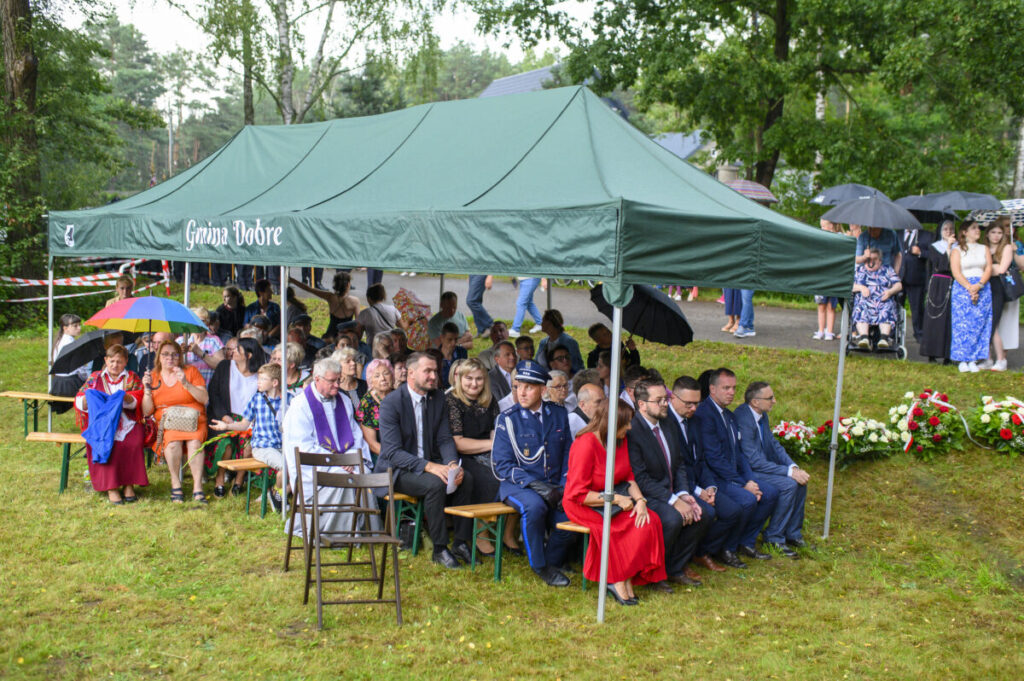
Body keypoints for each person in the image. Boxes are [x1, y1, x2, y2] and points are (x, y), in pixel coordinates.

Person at [374, 352, 476, 569]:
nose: (434, 376)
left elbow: (445, 437)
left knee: (465, 478)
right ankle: (439, 548)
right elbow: (392, 452)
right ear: (411, 373)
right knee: (435, 484)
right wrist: (429, 466)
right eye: (428, 371)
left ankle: (460, 541)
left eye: (435, 371)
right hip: (397, 470)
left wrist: (450, 464)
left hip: (430, 464)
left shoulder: (438, 397)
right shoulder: (392, 403)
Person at [565, 399, 667, 605]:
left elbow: (629, 476)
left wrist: (640, 501)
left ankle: (627, 577)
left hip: (614, 500)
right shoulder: (585, 444)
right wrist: (618, 499)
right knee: (616, 529)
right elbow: (578, 493)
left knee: (650, 520)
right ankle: (616, 579)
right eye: (626, 423)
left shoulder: (620, 440)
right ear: (612, 423)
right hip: (585, 503)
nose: (629, 427)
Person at [491, 361, 575, 587]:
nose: (522, 392)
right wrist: (539, 487)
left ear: (543, 390)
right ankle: (539, 566)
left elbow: (568, 451)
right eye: (519, 386)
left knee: (572, 514)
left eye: (529, 387)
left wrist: (564, 485)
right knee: (534, 507)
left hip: (555, 483)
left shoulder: (558, 414)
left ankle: (552, 561)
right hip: (519, 485)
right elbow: (502, 465)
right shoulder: (508, 419)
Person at [627, 380, 711, 589]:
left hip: (671, 491)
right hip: (646, 495)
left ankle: (674, 568)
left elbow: (679, 464)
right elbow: (640, 478)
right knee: (672, 518)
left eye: (665, 398)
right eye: (659, 400)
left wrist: (683, 493)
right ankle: (652, 574)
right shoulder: (632, 431)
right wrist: (673, 500)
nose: (665, 404)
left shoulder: (668, 423)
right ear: (642, 404)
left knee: (704, 514)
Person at [283, 357, 374, 543]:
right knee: (345, 480)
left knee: (361, 473)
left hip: (343, 461)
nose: (336, 385)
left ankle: (364, 532)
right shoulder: (300, 406)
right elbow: (302, 446)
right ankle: (338, 535)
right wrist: (338, 462)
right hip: (316, 466)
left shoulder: (344, 401)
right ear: (317, 379)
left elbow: (355, 435)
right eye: (332, 381)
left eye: (338, 380)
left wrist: (351, 459)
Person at [694, 368, 778, 567]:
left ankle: (745, 542)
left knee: (771, 493)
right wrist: (742, 484)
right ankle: (725, 548)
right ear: (712, 389)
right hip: (715, 478)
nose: (731, 392)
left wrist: (749, 480)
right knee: (747, 500)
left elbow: (739, 453)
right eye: (726, 388)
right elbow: (713, 458)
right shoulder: (705, 415)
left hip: (733, 476)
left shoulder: (729, 416)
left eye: (733, 388)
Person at [664, 375, 743, 575]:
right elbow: (675, 467)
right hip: (676, 486)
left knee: (733, 510)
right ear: (673, 398)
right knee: (706, 513)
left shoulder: (695, 421)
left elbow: (701, 460)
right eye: (688, 404)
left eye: (697, 403)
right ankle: (683, 559)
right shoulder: (666, 423)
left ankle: (701, 552)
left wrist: (710, 488)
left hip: (699, 482)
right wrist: (697, 492)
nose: (693, 408)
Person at [446, 358, 520, 554]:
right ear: (460, 379)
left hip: (489, 452)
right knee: (489, 479)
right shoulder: (452, 401)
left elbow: (495, 431)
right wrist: (492, 445)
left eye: (479, 379)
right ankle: (481, 533)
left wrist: (497, 447)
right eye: (469, 378)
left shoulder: (489, 400)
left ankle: (507, 533)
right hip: (462, 456)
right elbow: (458, 442)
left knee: (518, 475)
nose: (474, 383)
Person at [733, 382, 810, 558]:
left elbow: (773, 445)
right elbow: (753, 461)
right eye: (770, 398)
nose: (774, 401)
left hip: (761, 466)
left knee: (800, 482)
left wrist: (792, 466)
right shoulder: (743, 419)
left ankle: (792, 533)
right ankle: (774, 537)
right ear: (755, 402)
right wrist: (788, 473)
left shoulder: (762, 415)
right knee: (789, 484)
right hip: (749, 471)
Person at [75, 344, 149, 505]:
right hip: (101, 422)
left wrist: (125, 398)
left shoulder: (132, 377)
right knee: (106, 442)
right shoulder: (95, 377)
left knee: (133, 442)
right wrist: (90, 398)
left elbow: (139, 397)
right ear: (106, 360)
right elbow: (80, 399)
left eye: (120, 362)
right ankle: (112, 487)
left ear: (126, 362)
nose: (115, 365)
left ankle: (129, 484)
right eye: (112, 361)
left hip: (126, 420)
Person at [210, 363, 285, 512]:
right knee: (286, 467)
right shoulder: (256, 399)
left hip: (282, 445)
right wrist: (226, 427)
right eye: (258, 379)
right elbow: (244, 425)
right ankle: (277, 494)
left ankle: (277, 493)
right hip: (263, 447)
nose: (258, 382)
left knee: (299, 465)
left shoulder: (287, 401)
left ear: (275, 382)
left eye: (263, 379)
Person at [142, 340, 209, 504]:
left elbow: (204, 399)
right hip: (169, 422)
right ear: (159, 357)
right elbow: (147, 411)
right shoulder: (153, 376)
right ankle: (175, 483)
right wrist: (146, 390)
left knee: (194, 443)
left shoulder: (191, 371)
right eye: (165, 354)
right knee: (172, 443)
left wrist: (185, 383)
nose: (170, 358)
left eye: (174, 354)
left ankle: (197, 487)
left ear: (180, 357)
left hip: (194, 420)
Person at [206, 337, 265, 496]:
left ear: (249, 355)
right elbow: (214, 393)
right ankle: (220, 479)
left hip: (250, 421)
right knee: (226, 443)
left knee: (248, 446)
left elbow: (263, 401)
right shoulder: (225, 366)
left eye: (237, 349)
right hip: (223, 416)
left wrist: (252, 423)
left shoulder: (260, 373)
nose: (232, 352)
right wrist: (225, 416)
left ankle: (239, 480)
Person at [949, 219, 993, 372]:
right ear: (964, 232)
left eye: (978, 228)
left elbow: (988, 268)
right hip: (963, 287)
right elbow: (956, 272)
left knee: (979, 323)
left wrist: (979, 286)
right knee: (962, 323)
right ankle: (962, 358)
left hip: (982, 286)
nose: (977, 231)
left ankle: (974, 358)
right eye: (973, 228)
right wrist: (969, 287)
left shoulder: (984, 248)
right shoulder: (957, 250)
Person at [851, 247, 903, 349]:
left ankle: (884, 339)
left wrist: (890, 292)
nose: (870, 262)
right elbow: (850, 286)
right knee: (860, 308)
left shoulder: (887, 270)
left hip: (883, 301)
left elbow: (899, 285)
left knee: (887, 307)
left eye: (874, 259)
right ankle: (864, 338)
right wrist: (861, 287)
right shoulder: (859, 270)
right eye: (868, 259)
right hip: (864, 301)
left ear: (879, 261)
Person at [984, 220, 1018, 372]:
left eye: (999, 233)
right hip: (984, 287)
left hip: (998, 288)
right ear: (987, 233)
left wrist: (985, 269)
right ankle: (987, 358)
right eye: (993, 232)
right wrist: (991, 269)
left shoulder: (1007, 248)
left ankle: (1001, 359)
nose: (996, 236)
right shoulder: (983, 248)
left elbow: (1002, 269)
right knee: (985, 323)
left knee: (993, 323)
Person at [920, 221, 957, 362]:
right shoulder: (934, 247)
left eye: (951, 229)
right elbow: (941, 266)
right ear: (940, 232)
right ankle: (932, 353)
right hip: (938, 284)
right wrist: (948, 247)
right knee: (935, 318)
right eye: (945, 229)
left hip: (953, 283)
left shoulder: (959, 247)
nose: (948, 231)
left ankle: (948, 355)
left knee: (950, 319)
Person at [290, 271, 359, 341]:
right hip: (346, 337)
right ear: (348, 284)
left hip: (330, 336)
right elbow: (358, 323)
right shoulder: (355, 301)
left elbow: (309, 289)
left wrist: (292, 280)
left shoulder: (330, 297)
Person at [899, 225, 935, 343]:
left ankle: (919, 334)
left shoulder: (926, 235)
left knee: (917, 309)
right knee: (896, 306)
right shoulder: (898, 233)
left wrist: (920, 252)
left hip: (916, 278)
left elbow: (933, 255)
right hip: (899, 277)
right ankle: (894, 332)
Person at [356, 358, 394, 465]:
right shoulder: (367, 402)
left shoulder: (400, 396)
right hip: (382, 454)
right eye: (377, 376)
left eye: (386, 373)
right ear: (370, 381)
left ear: (392, 376)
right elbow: (372, 444)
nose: (383, 378)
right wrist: (397, 457)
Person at [50, 314, 89, 413]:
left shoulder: (59, 341)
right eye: (75, 326)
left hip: (57, 384)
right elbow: (79, 368)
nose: (79, 328)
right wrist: (88, 379)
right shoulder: (71, 343)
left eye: (79, 325)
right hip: (69, 385)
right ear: (65, 328)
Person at [813, 220, 841, 340]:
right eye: (821, 226)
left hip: (835, 277)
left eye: (824, 226)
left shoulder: (840, 238)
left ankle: (829, 331)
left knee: (831, 306)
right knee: (821, 305)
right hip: (821, 277)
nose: (822, 228)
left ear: (832, 225)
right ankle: (820, 330)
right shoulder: (820, 238)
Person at [182, 307, 225, 383]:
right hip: (186, 388)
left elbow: (221, 366)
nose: (197, 324)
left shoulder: (213, 341)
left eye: (201, 321)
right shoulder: (181, 341)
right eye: (194, 320)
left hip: (207, 387)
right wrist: (180, 353)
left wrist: (200, 353)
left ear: (207, 323)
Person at [331, 346, 367, 413]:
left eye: (354, 360)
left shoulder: (365, 385)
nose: (353, 363)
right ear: (338, 366)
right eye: (348, 361)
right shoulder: (333, 388)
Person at [437, 322, 468, 391]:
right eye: (450, 339)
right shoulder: (435, 356)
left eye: (456, 339)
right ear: (442, 338)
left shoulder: (462, 352)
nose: (453, 343)